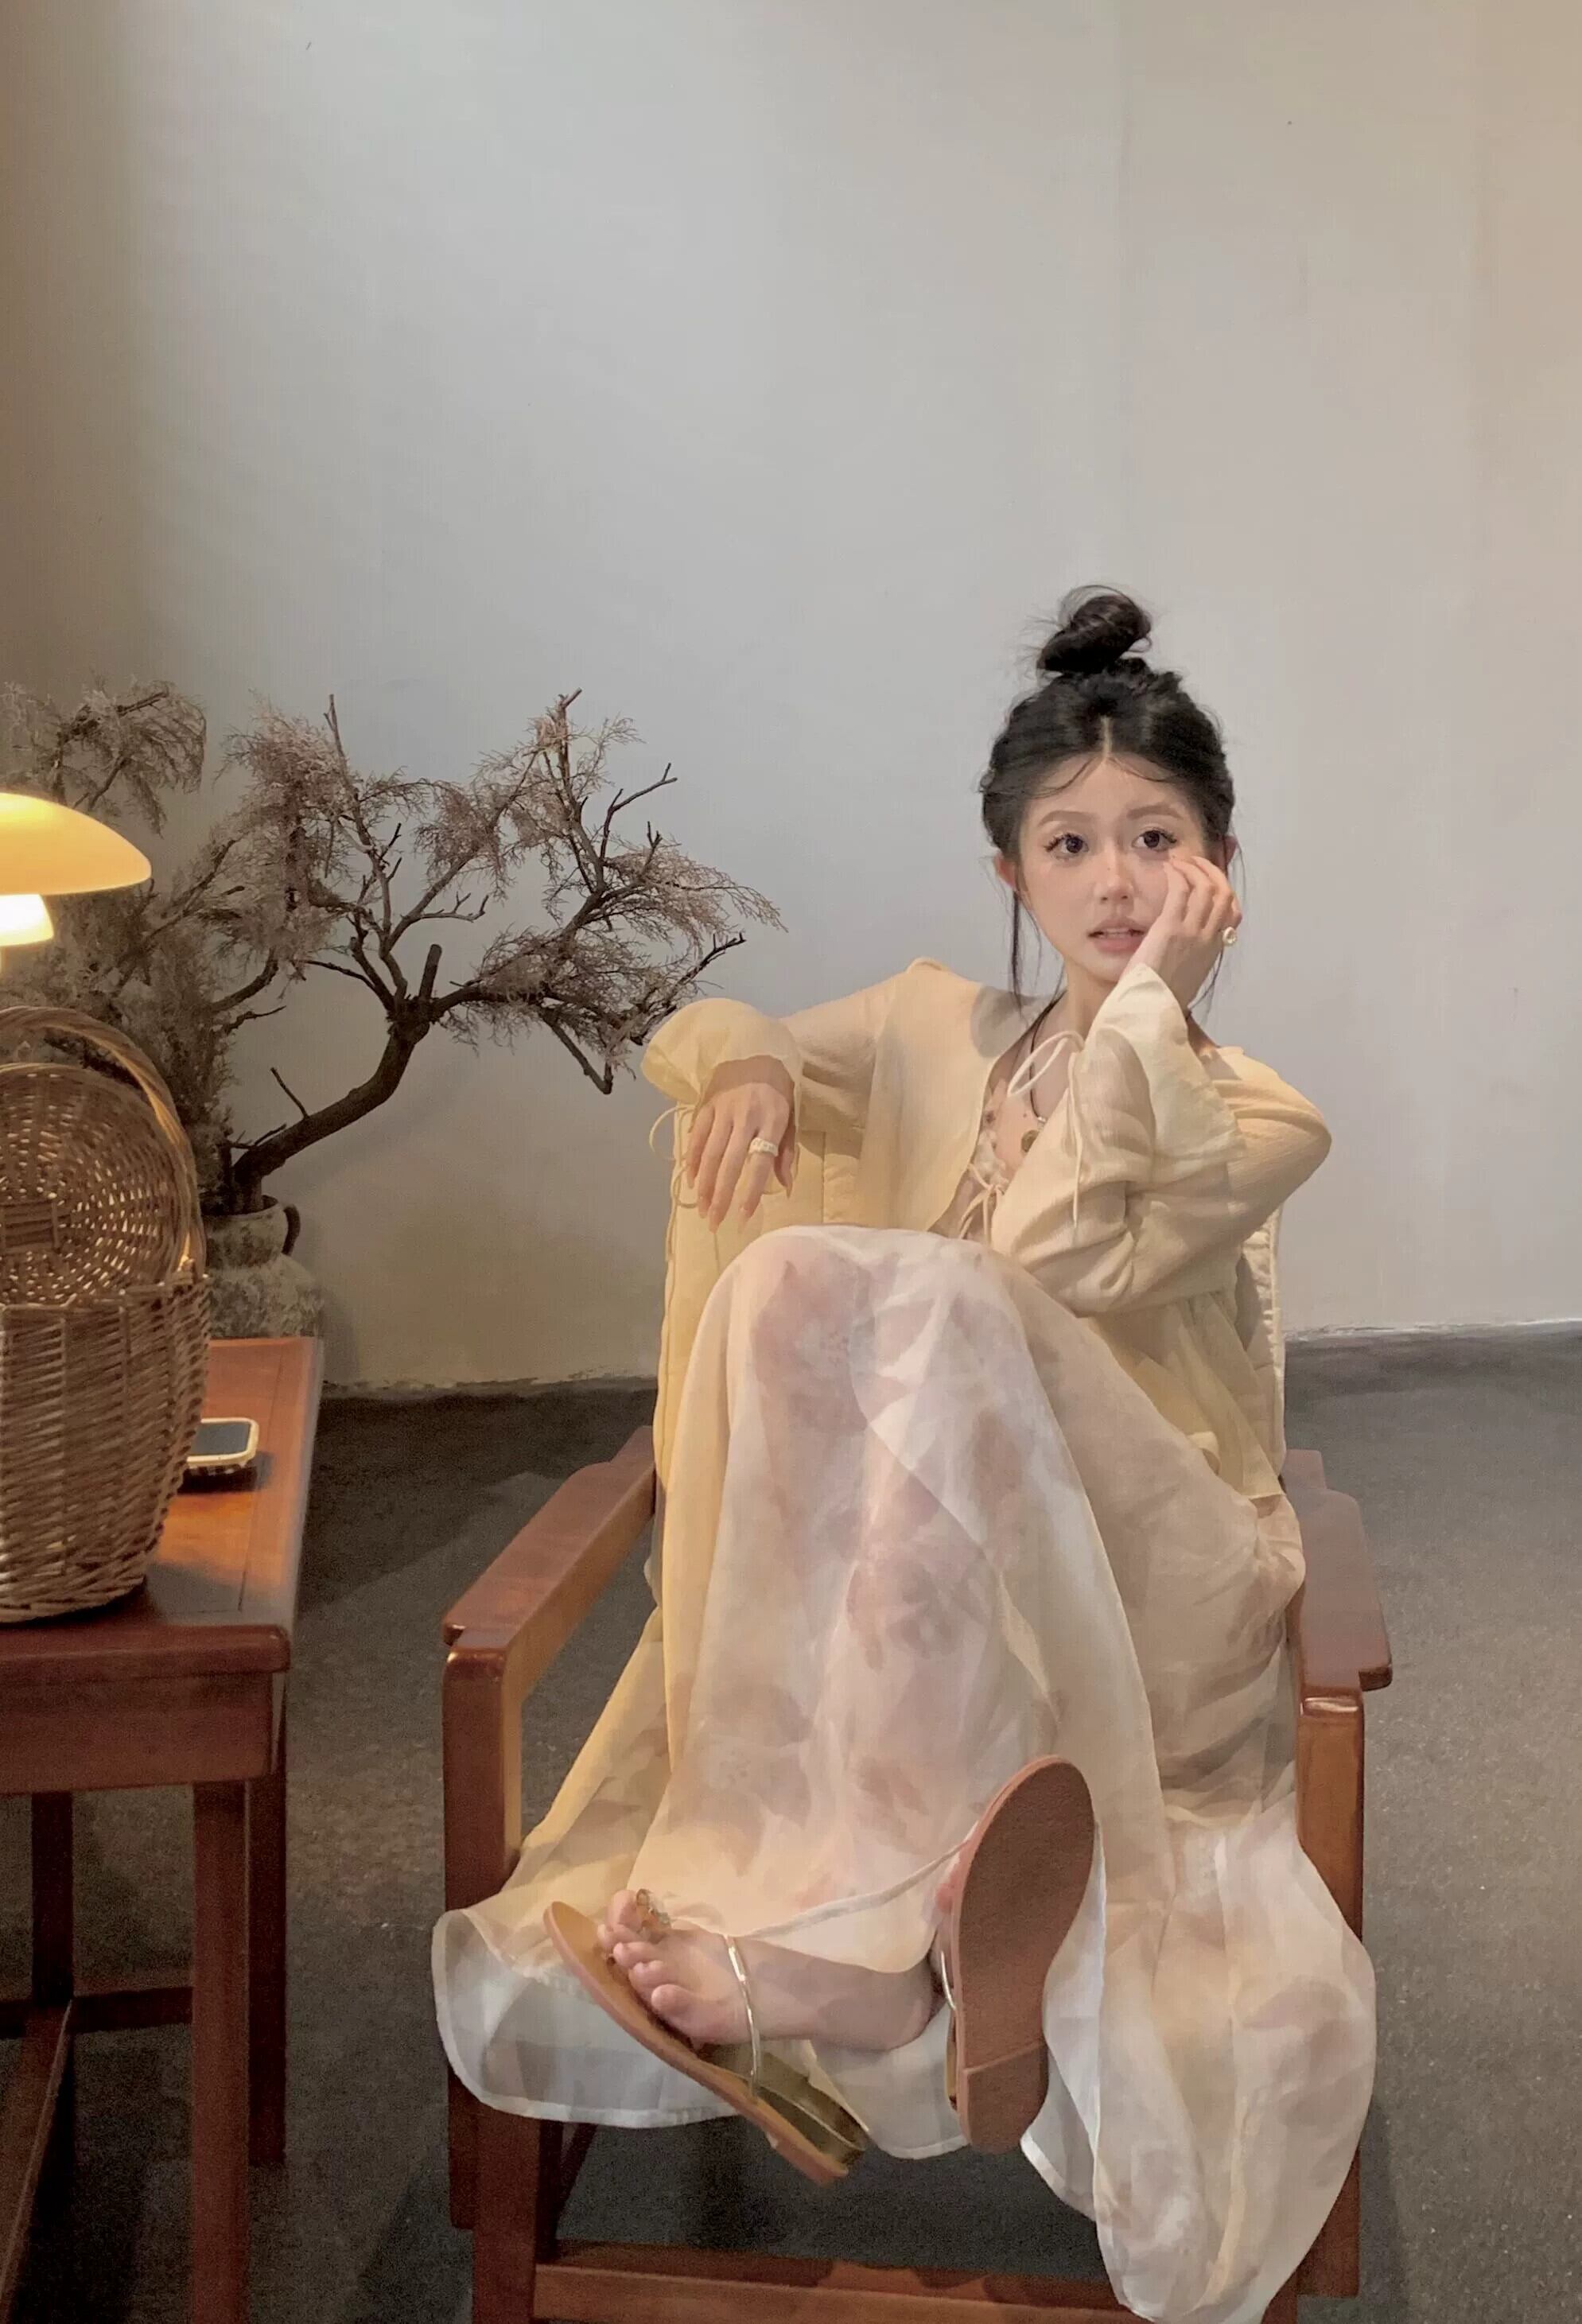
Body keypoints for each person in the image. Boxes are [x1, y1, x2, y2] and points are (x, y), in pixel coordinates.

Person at [433, 588, 1375, 2324]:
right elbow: (716, 1025)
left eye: (1154, 841)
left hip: (1158, 1583)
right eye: (1068, 843)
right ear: (1008, 870)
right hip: (945, 1589)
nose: (1113, 882)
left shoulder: (1254, 1114)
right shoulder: (940, 1028)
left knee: (940, 1294)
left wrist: (1148, 1009)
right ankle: (854, 1921)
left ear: (1218, 869)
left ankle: (871, 1967)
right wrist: (756, 1072)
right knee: (793, 1269)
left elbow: (1057, 1252)